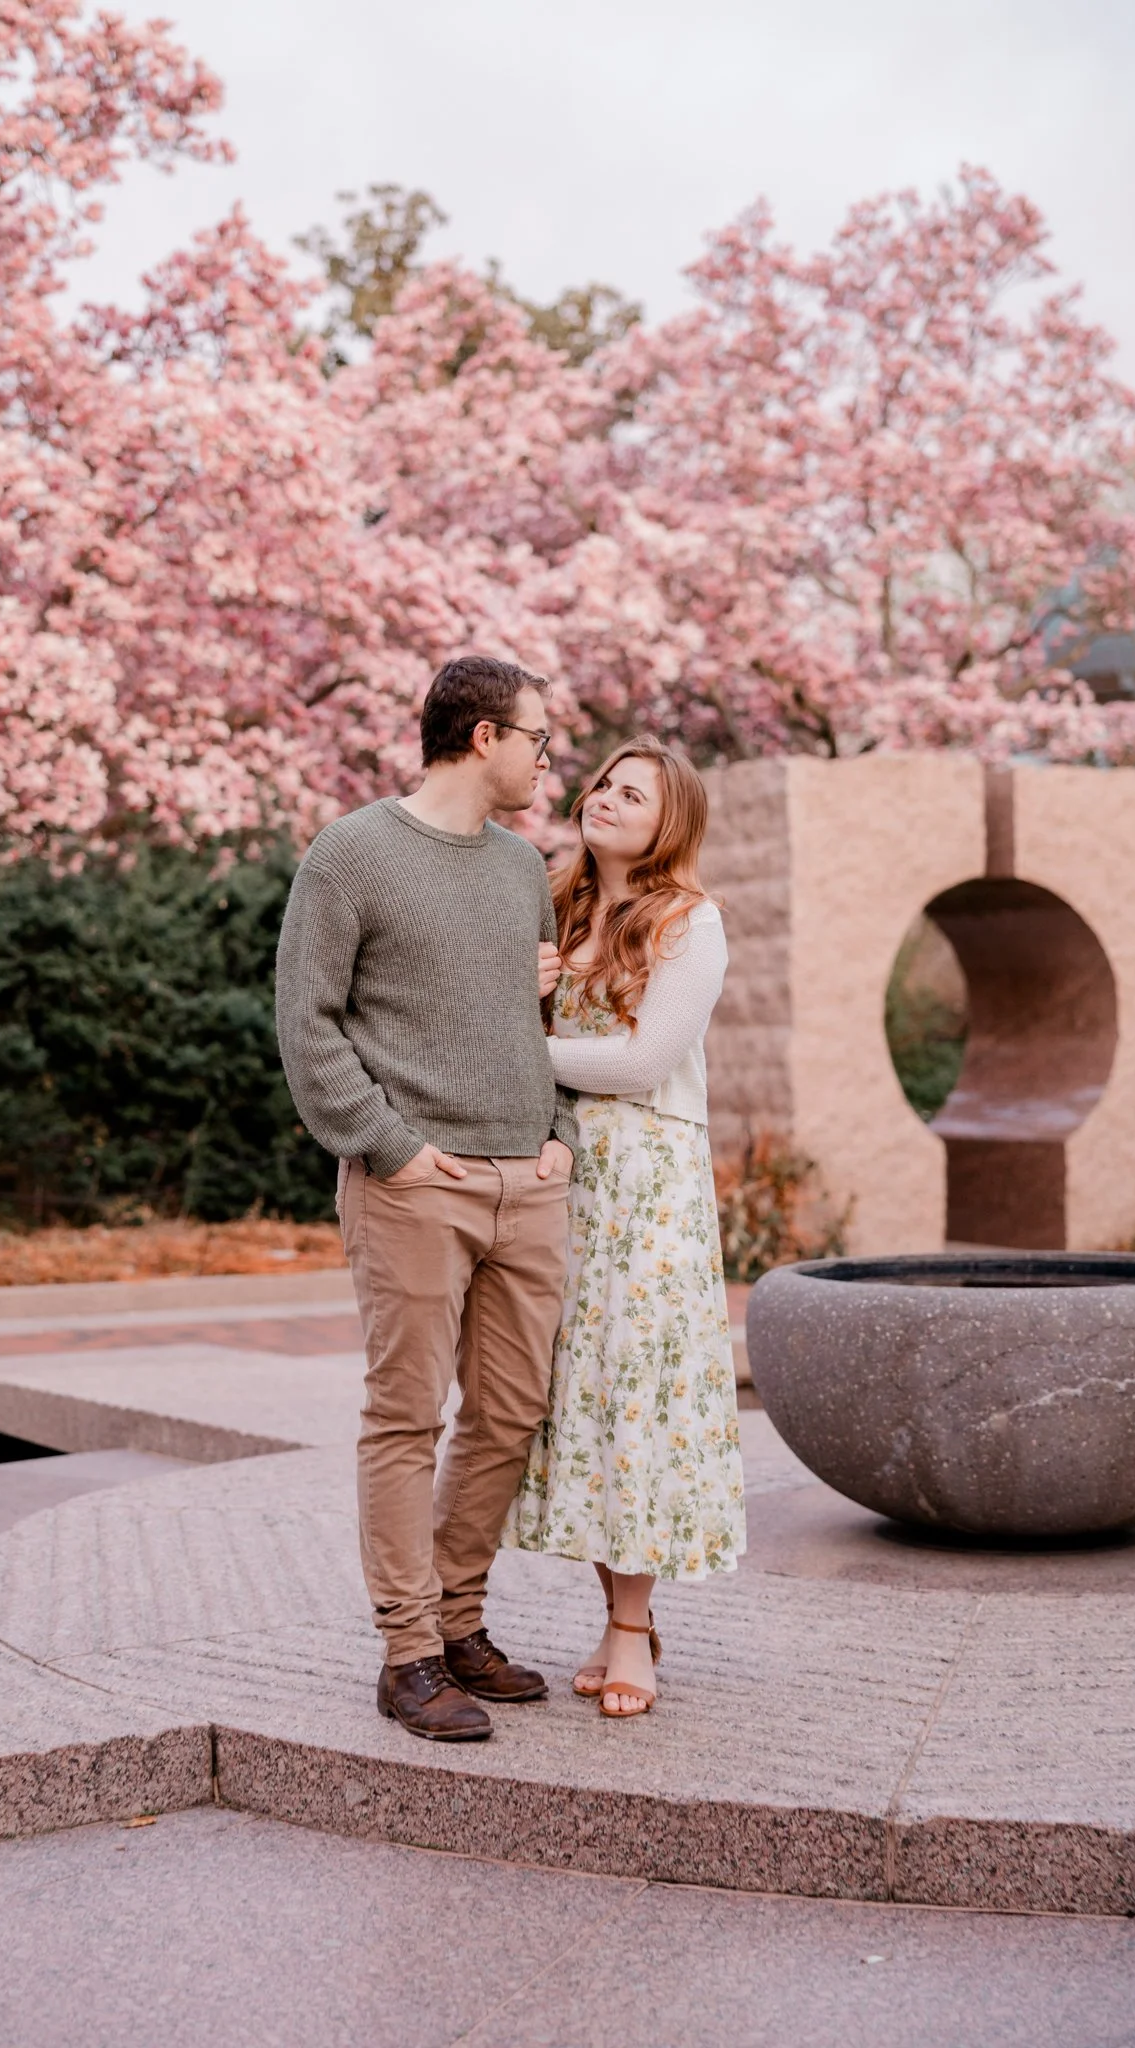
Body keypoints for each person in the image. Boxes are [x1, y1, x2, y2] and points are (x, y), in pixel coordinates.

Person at [275, 654, 577, 1743]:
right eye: (539, 736)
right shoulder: (351, 853)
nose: (550, 756)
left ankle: (459, 1624)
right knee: (405, 1416)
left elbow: (533, 1021)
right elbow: (306, 1023)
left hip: (526, 1183)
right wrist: (389, 1149)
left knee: (508, 1414)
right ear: (485, 736)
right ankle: (406, 1653)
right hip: (414, 1184)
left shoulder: (524, 865)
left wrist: (557, 1139)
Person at [503, 736, 746, 1718]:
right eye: (604, 780)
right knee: (582, 1397)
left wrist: (524, 1039)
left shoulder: (691, 921)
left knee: (636, 1392)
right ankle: (617, 1616)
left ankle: (633, 1628)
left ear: (668, 820)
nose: (604, 797)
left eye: (632, 791)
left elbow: (644, 1064)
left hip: (648, 1184)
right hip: (564, 1174)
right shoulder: (555, 900)